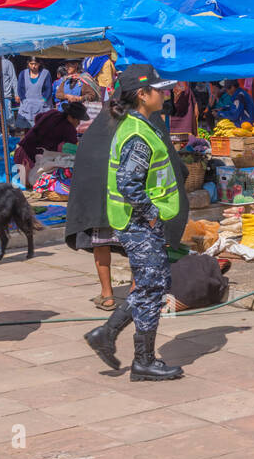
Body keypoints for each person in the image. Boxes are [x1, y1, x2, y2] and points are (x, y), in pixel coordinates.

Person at [84, 64, 186, 381]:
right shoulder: (138, 133)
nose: (165, 93)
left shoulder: (140, 124)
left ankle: (110, 335)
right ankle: (139, 357)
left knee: (150, 286)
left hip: (138, 223)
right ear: (143, 95)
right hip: (139, 223)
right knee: (152, 287)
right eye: (159, 89)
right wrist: (153, 216)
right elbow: (130, 184)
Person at [67, 94, 188, 313]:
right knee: (134, 248)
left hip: (102, 199)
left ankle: (107, 295)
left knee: (100, 243)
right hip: (131, 204)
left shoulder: (103, 122)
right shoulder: (142, 124)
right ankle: (133, 294)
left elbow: (86, 158)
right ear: (141, 96)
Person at [14, 101, 87, 175]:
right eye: (78, 120)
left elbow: (37, 117)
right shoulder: (69, 128)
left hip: (21, 152)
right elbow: (74, 146)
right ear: (70, 117)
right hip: (33, 161)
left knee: (22, 183)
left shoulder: (52, 112)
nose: (79, 123)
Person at [16, 57, 52, 130]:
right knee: (27, 130)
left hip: (42, 106)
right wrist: (24, 100)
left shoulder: (46, 73)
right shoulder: (23, 74)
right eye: (31, 64)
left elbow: (48, 88)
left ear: (39, 63)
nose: (33, 66)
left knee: (42, 128)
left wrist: (44, 100)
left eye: (35, 64)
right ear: (28, 64)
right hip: (27, 106)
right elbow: (20, 88)